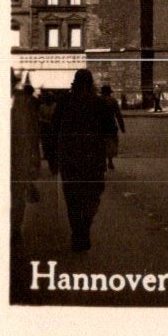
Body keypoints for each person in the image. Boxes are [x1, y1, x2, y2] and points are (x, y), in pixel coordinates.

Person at [51, 68, 114, 252]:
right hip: (93, 158)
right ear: (91, 83)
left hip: (69, 157)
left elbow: (54, 128)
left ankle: (77, 232)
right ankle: (84, 228)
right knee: (92, 195)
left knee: (72, 198)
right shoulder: (99, 103)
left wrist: (55, 155)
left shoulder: (64, 101)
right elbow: (109, 129)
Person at [10, 75, 42, 245]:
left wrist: (33, 160)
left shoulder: (23, 104)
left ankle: (15, 227)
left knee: (17, 195)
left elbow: (31, 132)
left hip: (19, 157)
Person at [100, 83, 126, 170]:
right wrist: (122, 127)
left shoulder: (98, 100)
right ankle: (110, 161)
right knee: (111, 143)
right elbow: (118, 115)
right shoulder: (113, 101)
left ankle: (103, 162)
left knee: (101, 144)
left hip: (100, 125)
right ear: (109, 92)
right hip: (110, 125)